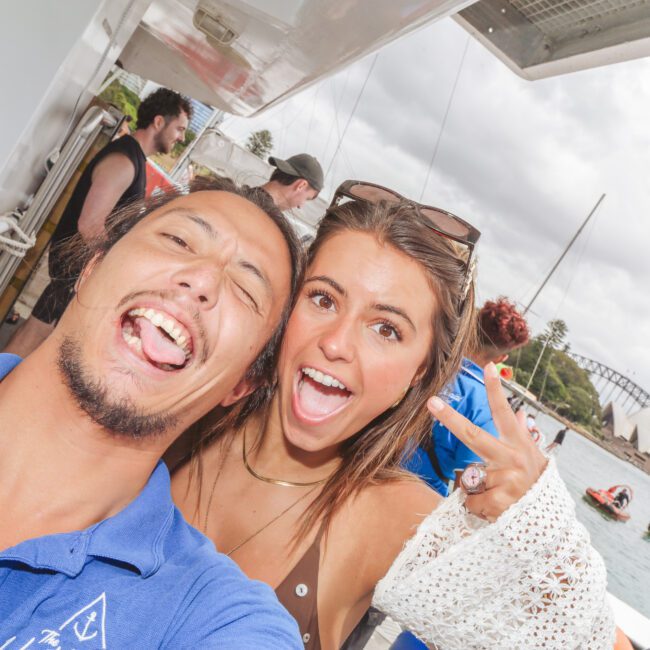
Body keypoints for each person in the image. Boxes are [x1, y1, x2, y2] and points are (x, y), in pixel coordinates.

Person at [171, 181, 612, 649]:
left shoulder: (393, 517)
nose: (337, 343)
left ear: (419, 372)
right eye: (323, 299)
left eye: (386, 329)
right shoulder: (188, 408)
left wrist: (543, 541)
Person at [0, 178, 304, 648]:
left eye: (246, 289)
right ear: (92, 268)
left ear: (243, 382)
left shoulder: (211, 617)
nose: (201, 281)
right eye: (179, 240)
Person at [4, 87, 192, 358]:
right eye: (180, 129)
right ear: (159, 122)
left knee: (40, 334)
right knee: (35, 331)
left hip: (78, 267)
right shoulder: (124, 160)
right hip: (71, 265)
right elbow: (90, 224)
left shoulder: (135, 159)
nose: (182, 137)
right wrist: (113, 268)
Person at [404, 297, 529, 496]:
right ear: (500, 358)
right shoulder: (488, 411)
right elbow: (469, 490)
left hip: (368, 465)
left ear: (469, 329)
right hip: (419, 495)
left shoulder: (424, 361)